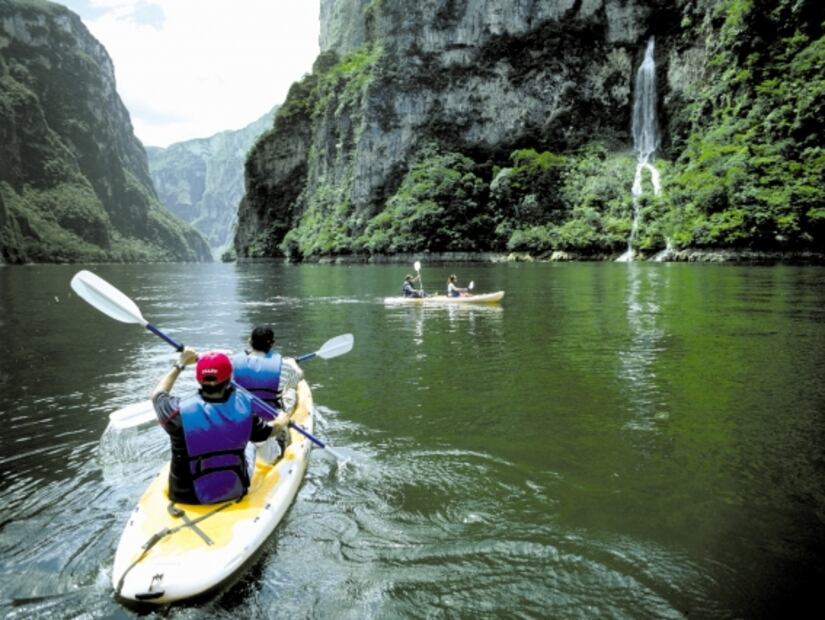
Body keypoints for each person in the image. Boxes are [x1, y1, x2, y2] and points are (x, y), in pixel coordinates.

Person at [151, 347, 292, 505]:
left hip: (184, 496)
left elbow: (158, 394)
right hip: (231, 490)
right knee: (252, 442)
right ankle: (277, 454)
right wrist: (281, 421)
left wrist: (180, 363)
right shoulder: (244, 409)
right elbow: (268, 432)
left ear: (198, 379)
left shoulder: (176, 412)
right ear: (229, 378)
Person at [231, 326, 304, 454]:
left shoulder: (233, 364)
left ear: (250, 341)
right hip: (270, 428)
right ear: (272, 344)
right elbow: (298, 377)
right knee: (291, 390)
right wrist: (292, 363)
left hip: (241, 425)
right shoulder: (283, 366)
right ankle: (284, 441)